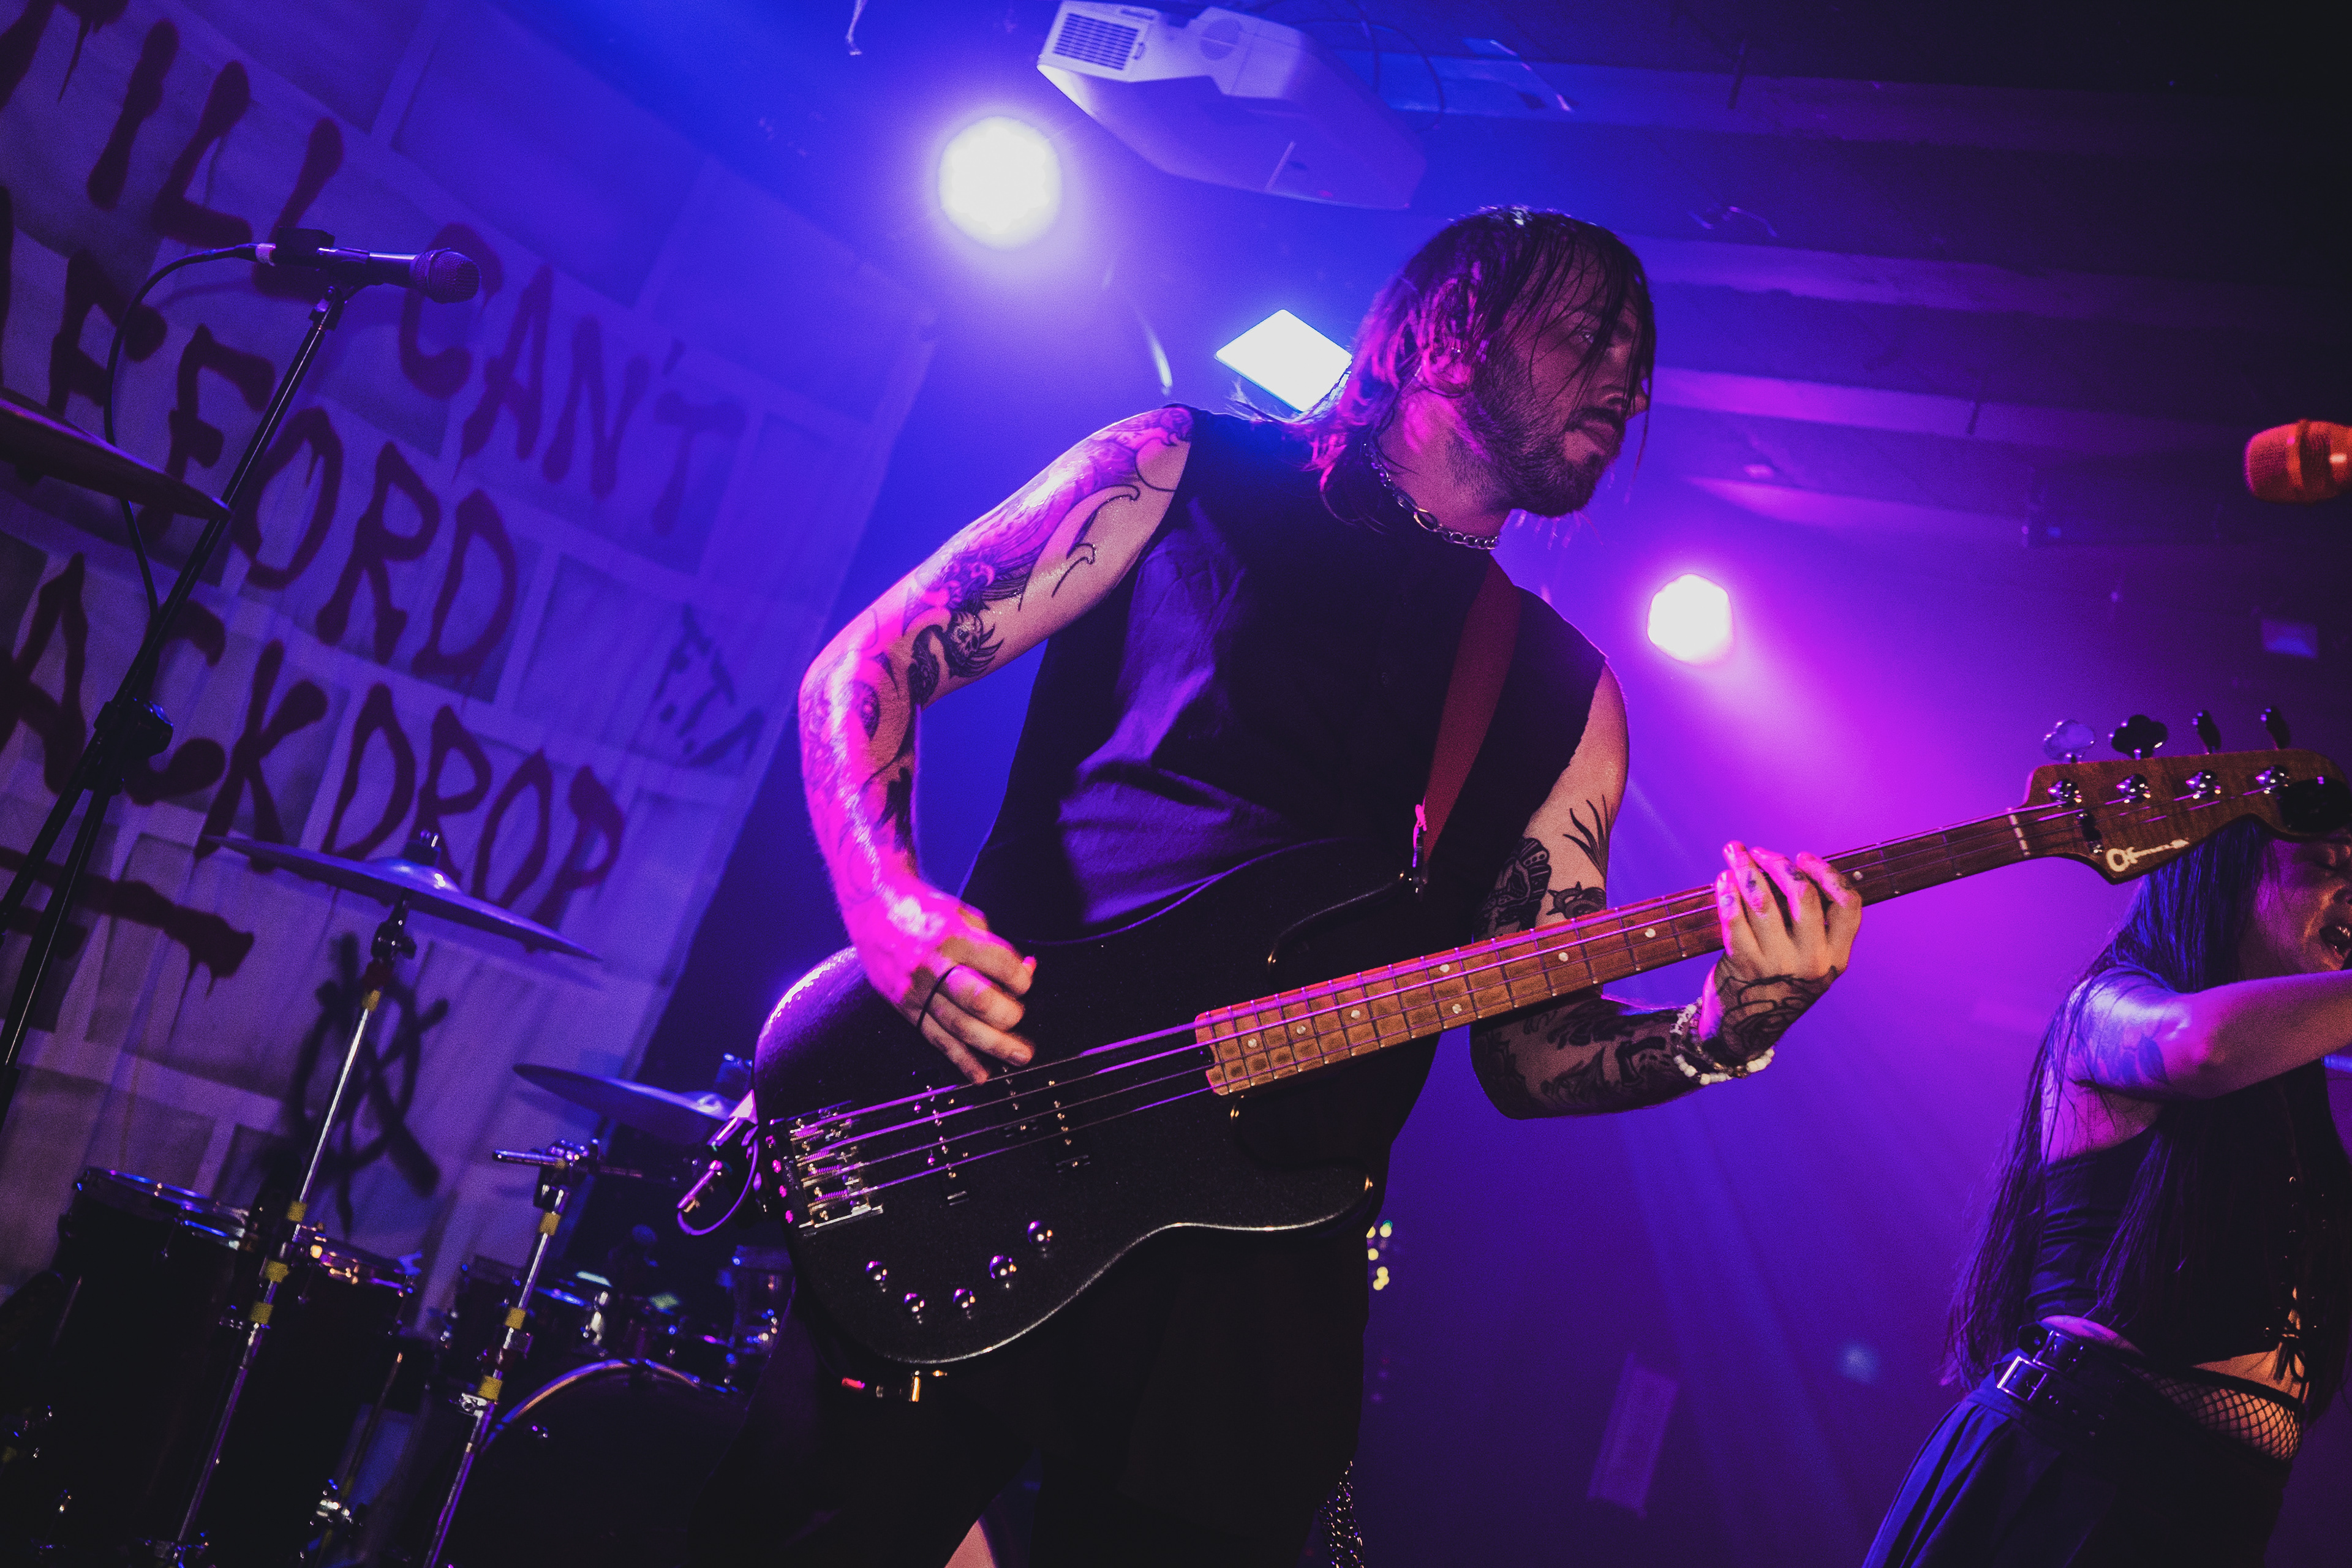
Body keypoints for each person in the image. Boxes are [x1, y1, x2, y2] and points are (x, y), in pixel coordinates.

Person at [692, 208, 1860, 1568]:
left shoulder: (1562, 693)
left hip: (1254, 1282)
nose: (1628, 384)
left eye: (1639, 362)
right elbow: (875, 662)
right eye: (1589, 336)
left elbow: (1532, 1053)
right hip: (996, 1137)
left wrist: (1725, 1028)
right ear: (1448, 329)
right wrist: (888, 904)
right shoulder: (1181, 469)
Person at [1865, 820, 2352, 1566]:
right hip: (2070, 1476)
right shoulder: (2104, 1006)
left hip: (2220, 1517)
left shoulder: (2296, 1092)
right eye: (2324, 862)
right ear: (2225, 870)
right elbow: (2200, 1046)